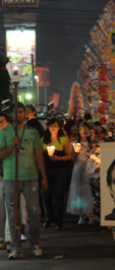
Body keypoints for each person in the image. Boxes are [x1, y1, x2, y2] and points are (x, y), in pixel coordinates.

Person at [0, 102, 47, 259]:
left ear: (25, 114)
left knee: (34, 211)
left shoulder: (32, 132)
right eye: (16, 112)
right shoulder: (4, 132)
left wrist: (43, 176)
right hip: (10, 178)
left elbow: (39, 155)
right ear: (11, 114)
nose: (19, 114)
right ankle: (15, 247)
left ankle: (35, 244)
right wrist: (11, 147)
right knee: (13, 213)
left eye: (21, 112)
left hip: (30, 177)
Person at [42, 117, 71, 230]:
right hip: (47, 170)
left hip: (60, 170)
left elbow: (69, 155)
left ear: (59, 127)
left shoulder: (63, 139)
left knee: (59, 194)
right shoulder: (43, 140)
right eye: (50, 126)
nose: (53, 128)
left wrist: (58, 158)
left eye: (55, 126)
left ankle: (59, 220)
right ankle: (49, 218)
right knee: (47, 195)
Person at [0, 113, 11, 251]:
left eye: (2, 121)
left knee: (11, 208)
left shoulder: (12, 138)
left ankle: (10, 238)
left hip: (10, 176)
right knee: (1, 209)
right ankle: (2, 237)